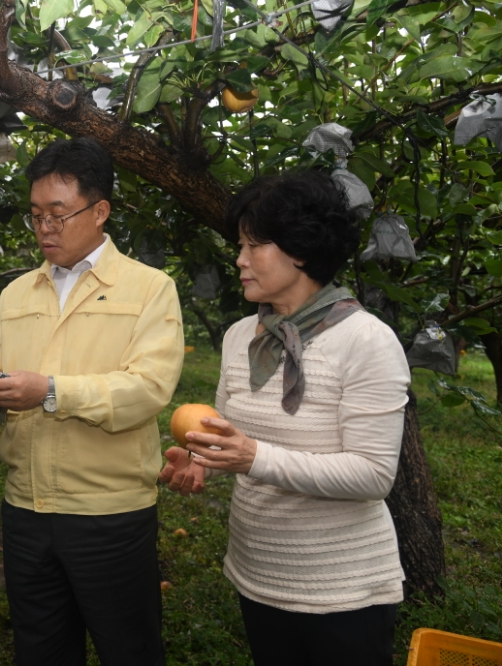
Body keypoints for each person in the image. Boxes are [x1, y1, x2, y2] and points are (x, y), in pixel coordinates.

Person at [0, 137, 185, 665]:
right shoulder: (17, 294)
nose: (45, 229)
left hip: (108, 513)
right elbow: (1, 394)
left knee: (130, 649)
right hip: (26, 511)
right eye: (35, 216)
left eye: (58, 214)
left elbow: (147, 390)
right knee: (42, 649)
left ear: (100, 212)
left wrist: (49, 391)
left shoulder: (149, 289)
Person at [159, 170, 410, 666]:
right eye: (239, 245)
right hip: (259, 576)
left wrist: (253, 457)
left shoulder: (366, 341)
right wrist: (200, 459)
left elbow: (373, 475)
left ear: (300, 249)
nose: (240, 260)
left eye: (255, 246)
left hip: (343, 591)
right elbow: (228, 433)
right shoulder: (239, 338)